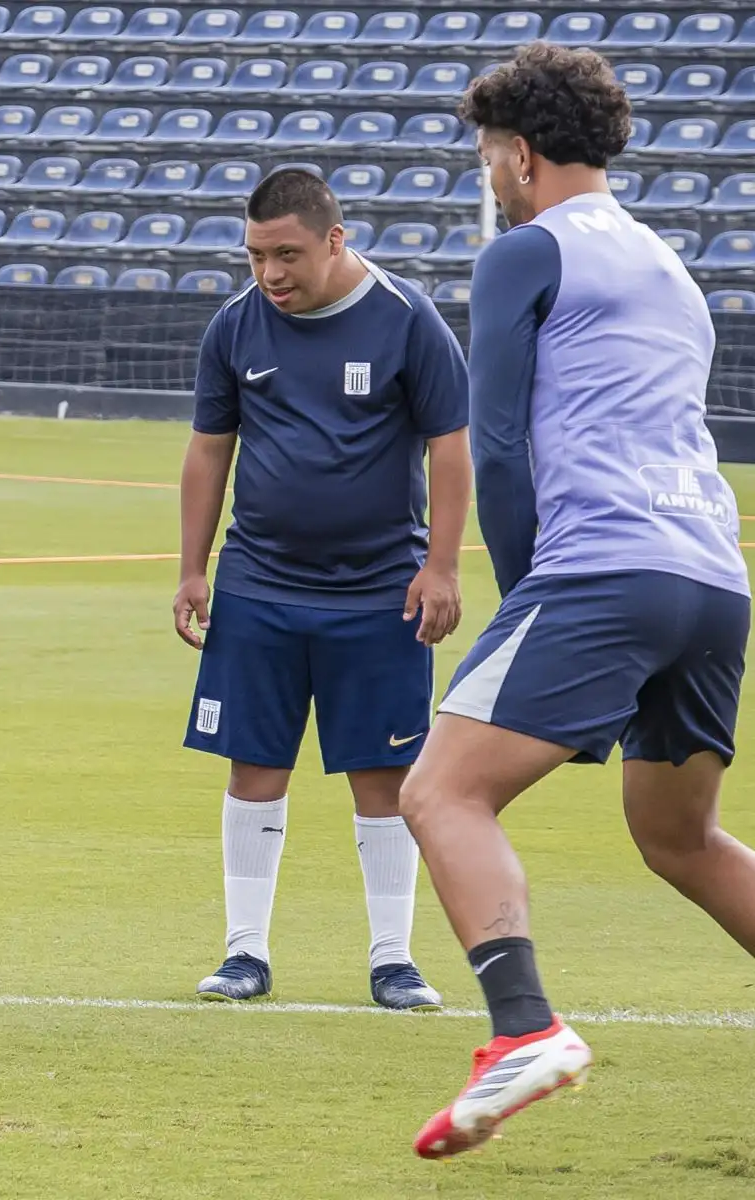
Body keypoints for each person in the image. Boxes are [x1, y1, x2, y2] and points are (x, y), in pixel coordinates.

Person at [403, 43, 755, 1158]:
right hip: (713, 576)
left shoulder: (527, 251)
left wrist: (524, 598)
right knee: (681, 837)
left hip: (605, 568)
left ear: (519, 154)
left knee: (441, 793)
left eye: (487, 157)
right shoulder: (670, 266)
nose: (489, 177)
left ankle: (524, 1030)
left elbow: (499, 441)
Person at [174, 168, 473, 1011]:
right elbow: (209, 449)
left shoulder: (407, 318)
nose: (270, 273)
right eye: (256, 255)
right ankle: (244, 953)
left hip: (380, 590)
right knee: (254, 765)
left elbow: (451, 447)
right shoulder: (235, 325)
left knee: (383, 774)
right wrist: (193, 568)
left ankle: (393, 960)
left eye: (287, 255)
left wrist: (442, 566)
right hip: (259, 585)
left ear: (335, 240)